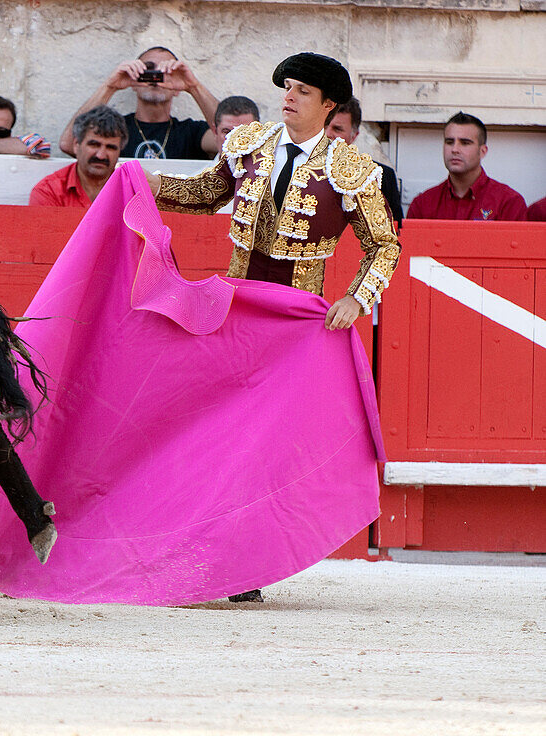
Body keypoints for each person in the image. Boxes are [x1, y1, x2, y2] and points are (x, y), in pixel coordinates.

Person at [146, 53, 401, 603]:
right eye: (287, 87)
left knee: (262, 445)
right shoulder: (247, 144)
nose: (288, 97)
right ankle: (195, 552)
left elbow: (385, 246)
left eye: (303, 91)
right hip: (234, 313)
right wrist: (141, 183)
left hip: (294, 325)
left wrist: (357, 298)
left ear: (329, 105)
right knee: (214, 432)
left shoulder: (353, 170)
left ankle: (241, 566)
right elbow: (203, 195)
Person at [59, 46, 218, 161]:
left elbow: (236, 143)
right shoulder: (115, 130)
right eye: (147, 70)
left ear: (177, 89)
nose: (155, 77)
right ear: (134, 82)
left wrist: (193, 87)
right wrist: (110, 86)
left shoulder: (191, 132)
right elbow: (68, 143)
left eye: (165, 72)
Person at [405, 112, 527, 221]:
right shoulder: (423, 204)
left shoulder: (508, 203)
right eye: (449, 142)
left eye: (465, 143)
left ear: (483, 151)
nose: (454, 149)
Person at [325, 96, 403, 226]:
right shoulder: (296, 168)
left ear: (354, 135)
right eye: (324, 125)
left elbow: (396, 232)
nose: (327, 133)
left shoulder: (381, 176)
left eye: (337, 129)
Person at [29, 105, 126, 207]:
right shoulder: (49, 191)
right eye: (94, 145)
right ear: (76, 145)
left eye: (110, 147)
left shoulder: (133, 190)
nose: (101, 155)